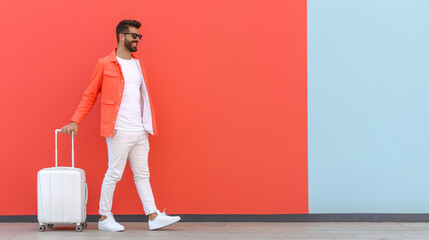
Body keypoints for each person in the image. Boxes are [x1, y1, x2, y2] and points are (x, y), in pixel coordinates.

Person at [61, 19, 180, 232]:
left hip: (140, 130)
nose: (138, 40)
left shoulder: (138, 64)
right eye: (135, 36)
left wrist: (146, 125)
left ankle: (153, 216)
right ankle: (105, 217)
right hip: (118, 130)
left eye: (139, 36)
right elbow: (90, 95)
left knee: (143, 175)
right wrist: (75, 120)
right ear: (121, 37)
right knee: (114, 173)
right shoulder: (105, 63)